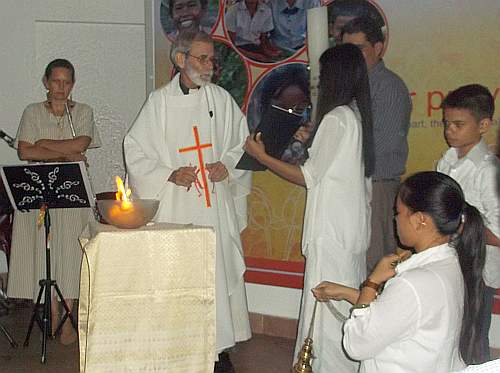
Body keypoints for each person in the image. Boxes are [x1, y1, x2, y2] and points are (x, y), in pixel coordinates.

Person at [123, 31, 251, 372]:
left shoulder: (221, 99)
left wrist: (227, 165)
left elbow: (241, 142)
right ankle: (180, 349)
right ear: (180, 59)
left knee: (216, 271)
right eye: (202, 58)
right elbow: (135, 148)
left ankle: (218, 348)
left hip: (213, 207)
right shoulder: (159, 102)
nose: (210, 65)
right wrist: (167, 173)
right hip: (178, 208)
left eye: (212, 59)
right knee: (178, 277)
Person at [245, 43, 374, 373]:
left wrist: (262, 157)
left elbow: (308, 177)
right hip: (347, 231)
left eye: (321, 75)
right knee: (340, 310)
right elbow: (329, 170)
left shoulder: (337, 118)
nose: (317, 82)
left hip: (330, 233)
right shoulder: (353, 116)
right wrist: (309, 139)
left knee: (325, 317)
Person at [313, 171, 486, 372]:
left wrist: (372, 282)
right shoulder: (449, 263)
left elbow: (356, 345)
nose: (395, 219)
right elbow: (400, 314)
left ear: (420, 220)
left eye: (398, 212)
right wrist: (347, 293)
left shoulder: (413, 283)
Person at [7, 58, 101, 345]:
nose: (61, 87)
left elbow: (81, 145)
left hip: (72, 189)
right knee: (42, 252)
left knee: (72, 252)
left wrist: (43, 145)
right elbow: (24, 151)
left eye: (67, 82)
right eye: (56, 81)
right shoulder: (32, 111)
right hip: (41, 192)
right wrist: (65, 155)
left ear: (73, 84)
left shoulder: (83, 111)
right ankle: (52, 308)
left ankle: (69, 316)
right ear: (46, 82)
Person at [341, 16, 412, 273]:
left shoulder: (388, 87)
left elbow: (383, 146)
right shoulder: (353, 85)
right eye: (346, 50)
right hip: (355, 185)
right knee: (356, 262)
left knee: (374, 265)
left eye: (358, 48)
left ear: (378, 47)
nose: (351, 56)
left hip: (377, 187)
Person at [437, 84, 500, 363]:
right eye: (447, 123)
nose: (449, 130)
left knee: (473, 337)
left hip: (478, 269)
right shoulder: (447, 161)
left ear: (483, 125)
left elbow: (498, 233)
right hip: (449, 261)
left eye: (458, 124)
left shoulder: (487, 170)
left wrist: (459, 226)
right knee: (448, 332)